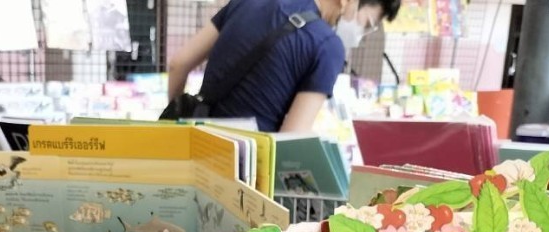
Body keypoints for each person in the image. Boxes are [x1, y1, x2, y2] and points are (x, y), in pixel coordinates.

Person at [166, 0, 400, 133]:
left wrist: (178, 117)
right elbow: (292, 137)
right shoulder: (328, 45)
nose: (359, 36)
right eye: (366, 24)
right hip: (246, 167)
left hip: (196, 140)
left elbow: (179, 63)